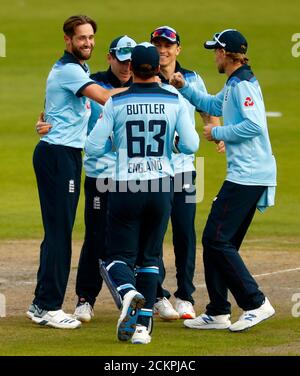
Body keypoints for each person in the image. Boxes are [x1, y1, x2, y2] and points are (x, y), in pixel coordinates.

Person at [85, 42, 199, 344]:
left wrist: (116, 145)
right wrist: (170, 147)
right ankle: (142, 329)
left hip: (126, 185)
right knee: (150, 258)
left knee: (115, 257)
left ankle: (129, 293)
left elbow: (93, 146)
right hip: (162, 185)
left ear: (132, 68)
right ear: (158, 69)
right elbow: (191, 144)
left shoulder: (116, 102)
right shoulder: (174, 98)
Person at [171, 29, 276, 331]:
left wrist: (217, 133)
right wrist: (184, 88)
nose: (214, 55)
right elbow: (215, 106)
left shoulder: (242, 84)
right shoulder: (234, 82)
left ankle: (255, 303)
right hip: (247, 173)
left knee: (216, 239)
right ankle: (218, 311)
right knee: (219, 240)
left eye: (216, 50)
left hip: (249, 174)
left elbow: (253, 126)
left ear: (227, 53)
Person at [27, 15, 126, 329]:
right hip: (58, 157)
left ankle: (40, 304)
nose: (88, 43)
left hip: (62, 154)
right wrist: (144, 88)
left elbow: (51, 112)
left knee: (58, 232)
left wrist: (45, 122)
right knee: (59, 234)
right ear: (68, 40)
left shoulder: (74, 69)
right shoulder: (70, 70)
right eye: (82, 38)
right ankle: (48, 306)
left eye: (91, 37)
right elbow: (105, 97)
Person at [150, 26, 220, 320]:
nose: (163, 50)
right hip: (153, 172)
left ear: (177, 49)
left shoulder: (190, 79)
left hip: (184, 171)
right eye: (158, 45)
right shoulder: (145, 78)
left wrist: (218, 132)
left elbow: (205, 109)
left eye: (168, 45)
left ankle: (185, 296)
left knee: (184, 232)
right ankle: (157, 294)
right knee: (154, 233)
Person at [73, 35, 136, 322]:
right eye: (121, 60)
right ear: (110, 57)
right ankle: (85, 298)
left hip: (134, 176)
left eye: (131, 62)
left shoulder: (147, 83)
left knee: (136, 239)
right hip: (100, 175)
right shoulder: (94, 83)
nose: (126, 67)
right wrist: (44, 123)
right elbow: (65, 113)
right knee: (96, 236)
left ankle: (148, 295)